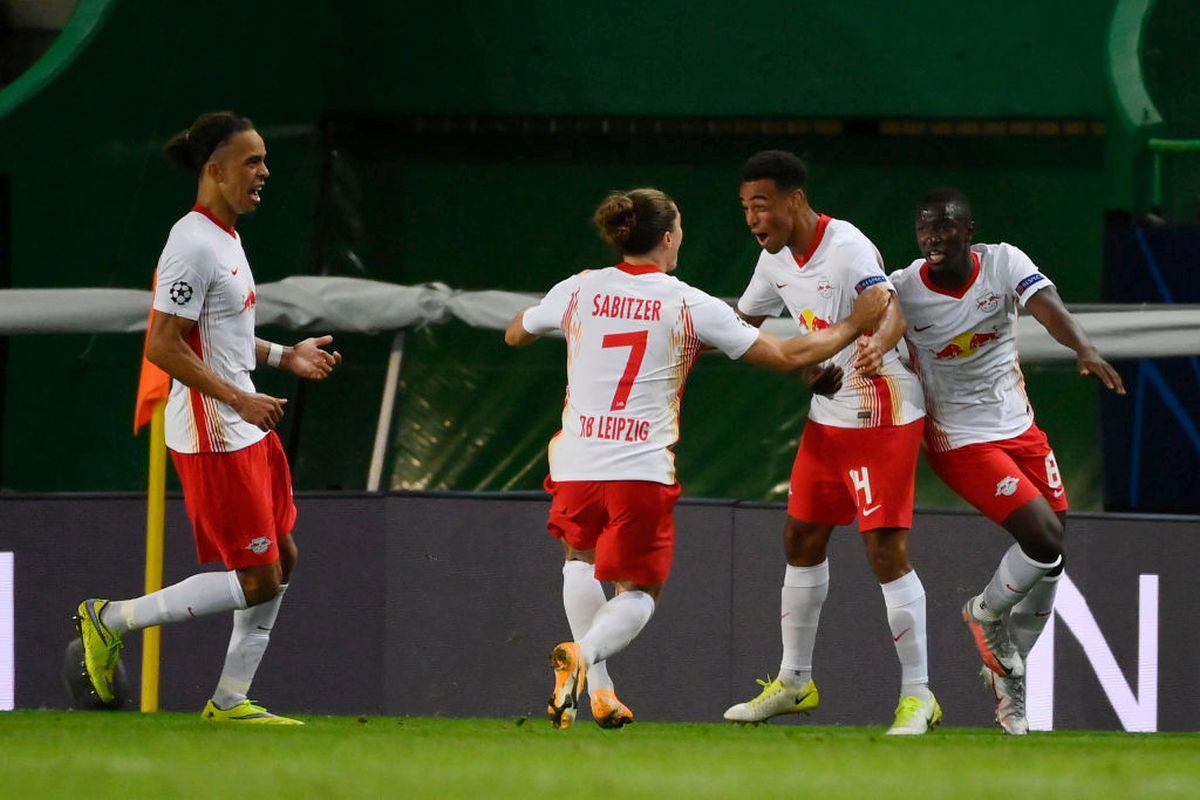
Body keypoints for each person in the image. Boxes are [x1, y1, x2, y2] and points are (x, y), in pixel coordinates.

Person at [504, 187, 889, 729]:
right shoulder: (688, 302)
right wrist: (853, 324)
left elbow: (516, 332)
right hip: (638, 467)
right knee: (639, 592)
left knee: (578, 559)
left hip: (574, 461)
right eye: (679, 226)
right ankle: (585, 660)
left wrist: (548, 317)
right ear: (666, 238)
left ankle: (599, 693)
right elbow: (783, 356)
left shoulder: (579, 287)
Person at [74, 111, 341, 724]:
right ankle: (109, 618)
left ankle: (229, 703)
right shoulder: (190, 243)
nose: (265, 172)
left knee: (283, 561)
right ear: (215, 171)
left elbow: (223, 336)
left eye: (265, 159)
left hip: (242, 417)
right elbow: (163, 345)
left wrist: (283, 356)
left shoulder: (226, 239)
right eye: (253, 161)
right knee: (255, 578)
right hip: (214, 427)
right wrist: (238, 398)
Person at [890, 187, 1124, 734]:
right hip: (959, 438)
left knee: (1051, 560)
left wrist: (1083, 347)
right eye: (925, 228)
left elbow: (1048, 308)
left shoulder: (1003, 263)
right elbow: (872, 331)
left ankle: (1009, 687)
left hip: (1019, 428)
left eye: (945, 227)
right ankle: (985, 611)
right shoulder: (904, 290)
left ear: (968, 229)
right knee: (1044, 538)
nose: (934, 238)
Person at [723, 150, 938, 735]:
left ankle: (919, 696)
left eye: (761, 205)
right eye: (745, 208)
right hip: (828, 415)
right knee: (801, 536)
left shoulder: (847, 248)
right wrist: (803, 370)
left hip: (883, 410)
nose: (752, 219)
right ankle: (795, 682)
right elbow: (745, 324)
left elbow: (882, 307)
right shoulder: (773, 263)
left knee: (883, 550)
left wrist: (871, 344)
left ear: (794, 200)